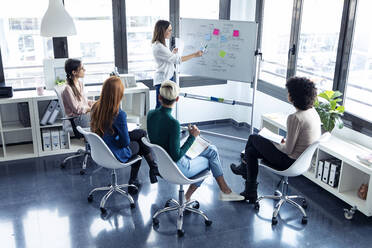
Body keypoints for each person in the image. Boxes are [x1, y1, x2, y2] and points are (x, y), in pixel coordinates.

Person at [147, 80, 244, 202]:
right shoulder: (173, 123)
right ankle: (223, 191)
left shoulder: (151, 114)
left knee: (211, 150)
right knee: (211, 159)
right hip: (177, 167)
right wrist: (192, 137)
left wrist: (190, 137)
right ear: (177, 99)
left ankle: (193, 196)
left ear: (159, 97)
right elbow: (176, 156)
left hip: (163, 165)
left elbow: (162, 139)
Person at [230, 77, 321, 203]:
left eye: (289, 91)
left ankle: (245, 172)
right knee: (250, 151)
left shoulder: (295, 117)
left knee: (253, 138)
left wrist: (274, 141)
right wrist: (282, 140)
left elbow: (288, 149)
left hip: (289, 162)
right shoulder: (313, 112)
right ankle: (249, 190)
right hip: (301, 161)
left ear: (293, 96)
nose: (287, 94)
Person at [90, 76, 161, 190]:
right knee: (140, 143)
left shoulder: (95, 107)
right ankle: (140, 176)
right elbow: (124, 143)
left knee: (141, 133)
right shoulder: (118, 114)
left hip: (101, 150)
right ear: (118, 94)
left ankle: (151, 169)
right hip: (114, 152)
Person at [152, 20, 203, 108]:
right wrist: (195, 54)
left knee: (165, 107)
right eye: (169, 30)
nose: (171, 32)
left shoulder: (160, 44)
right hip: (163, 81)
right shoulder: (159, 47)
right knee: (161, 107)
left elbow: (166, 59)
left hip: (167, 78)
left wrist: (172, 53)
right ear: (162, 31)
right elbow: (178, 60)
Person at [62, 58, 94, 128]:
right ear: (74, 72)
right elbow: (77, 109)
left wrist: (96, 103)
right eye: (82, 68)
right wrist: (90, 109)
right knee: (103, 119)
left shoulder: (80, 84)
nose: (84, 70)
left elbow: (84, 102)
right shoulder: (68, 89)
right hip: (77, 118)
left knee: (106, 115)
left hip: (84, 115)